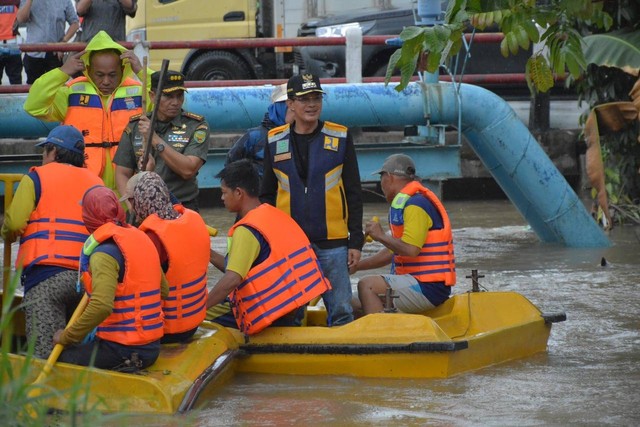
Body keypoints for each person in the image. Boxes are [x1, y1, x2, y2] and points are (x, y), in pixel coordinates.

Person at [260, 73, 364, 326]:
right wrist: (270, 242)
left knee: (341, 310)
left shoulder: (339, 137)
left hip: (334, 243)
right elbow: (266, 196)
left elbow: (353, 191)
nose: (312, 104)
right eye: (305, 98)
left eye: (316, 97)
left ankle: (344, 358)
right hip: (291, 244)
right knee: (291, 312)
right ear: (291, 104)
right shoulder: (274, 140)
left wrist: (355, 241)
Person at [0, 125, 103, 358]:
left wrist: (7, 233)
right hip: (88, 282)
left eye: (45, 151)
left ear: (54, 152)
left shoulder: (36, 177)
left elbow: (15, 222)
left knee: (43, 353)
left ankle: (41, 392)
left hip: (47, 279)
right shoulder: (97, 183)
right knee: (76, 353)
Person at [206, 159, 331, 335]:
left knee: (200, 315)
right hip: (293, 309)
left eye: (224, 192)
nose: (222, 198)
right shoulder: (275, 216)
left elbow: (232, 279)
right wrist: (207, 253)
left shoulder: (247, 229)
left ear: (239, 193)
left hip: (268, 314)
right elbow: (237, 266)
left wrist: (199, 309)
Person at [53, 186, 166, 371]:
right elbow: (164, 290)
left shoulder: (103, 254)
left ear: (89, 217)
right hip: (153, 346)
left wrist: (67, 336)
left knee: (63, 358)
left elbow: (101, 306)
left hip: (123, 349)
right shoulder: (142, 238)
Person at [23, 30, 147, 191]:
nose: (106, 81)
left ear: (123, 70)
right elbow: (34, 105)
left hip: (128, 185)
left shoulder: (139, 92)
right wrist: (62, 73)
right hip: (84, 185)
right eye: (100, 75)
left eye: (112, 75)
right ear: (88, 70)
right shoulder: (72, 92)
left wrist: (142, 72)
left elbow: (167, 100)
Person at [351, 154, 456, 315]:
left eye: (382, 178)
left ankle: (382, 337)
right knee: (350, 302)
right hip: (415, 282)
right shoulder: (406, 203)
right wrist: (357, 266)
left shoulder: (416, 205)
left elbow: (411, 250)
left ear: (390, 177)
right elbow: (393, 251)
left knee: (367, 285)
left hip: (428, 288)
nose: (381, 185)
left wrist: (380, 236)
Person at [129, 172, 209, 343]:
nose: (129, 208)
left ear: (141, 201)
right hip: (193, 321)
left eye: (130, 201)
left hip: (168, 329)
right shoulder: (192, 218)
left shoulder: (151, 237)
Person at [114, 69, 210, 211]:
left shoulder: (196, 126)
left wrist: (154, 138)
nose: (175, 102)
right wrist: (132, 206)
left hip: (181, 206)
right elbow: (122, 172)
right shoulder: (136, 126)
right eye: (168, 96)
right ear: (153, 96)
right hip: (144, 205)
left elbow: (188, 169)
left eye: (179, 96)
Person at [225, 82, 294, 177]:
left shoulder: (302, 134)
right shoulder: (255, 137)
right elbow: (231, 161)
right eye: (289, 104)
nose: (293, 108)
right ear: (278, 107)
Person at [16, 0, 79, 84]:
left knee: (55, 88)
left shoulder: (64, 1)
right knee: (34, 89)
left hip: (55, 53)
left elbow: (75, 23)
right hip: (34, 53)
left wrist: (63, 42)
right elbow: (21, 19)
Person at [0, 0, 23, 85]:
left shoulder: (16, 1)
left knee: (16, 81)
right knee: (16, 79)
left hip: (13, 43)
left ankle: (18, 98)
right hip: (11, 42)